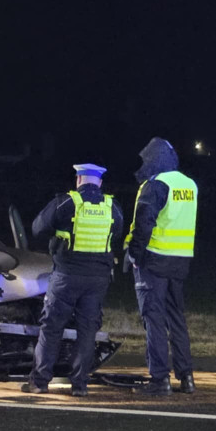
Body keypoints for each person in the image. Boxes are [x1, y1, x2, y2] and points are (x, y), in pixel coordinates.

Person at [22, 163, 124, 397]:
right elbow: (116, 234)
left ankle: (40, 382)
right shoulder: (112, 207)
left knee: (51, 328)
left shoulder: (66, 203)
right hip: (97, 279)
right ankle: (79, 385)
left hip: (66, 276)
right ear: (99, 183)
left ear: (79, 180)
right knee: (87, 331)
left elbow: (38, 228)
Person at [124, 137, 198, 396]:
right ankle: (186, 377)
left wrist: (133, 254)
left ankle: (159, 380)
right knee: (176, 319)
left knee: (153, 319)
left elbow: (144, 224)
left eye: (147, 160)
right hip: (180, 261)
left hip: (154, 261)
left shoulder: (155, 185)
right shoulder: (189, 185)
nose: (144, 165)